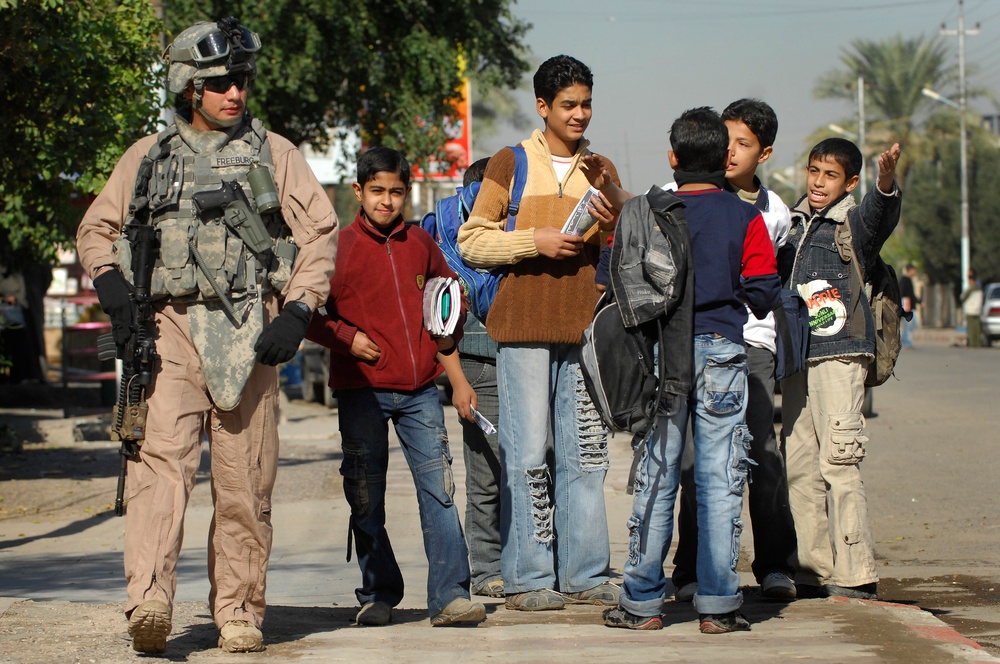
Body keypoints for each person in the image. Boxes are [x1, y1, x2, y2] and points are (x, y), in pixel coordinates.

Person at [75, 18, 338, 654]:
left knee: (245, 479)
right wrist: (114, 294)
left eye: (242, 82)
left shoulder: (276, 155)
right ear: (190, 87)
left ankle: (239, 611)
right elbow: (95, 230)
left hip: (251, 333)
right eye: (221, 83)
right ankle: (150, 604)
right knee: (158, 472)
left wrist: (297, 312)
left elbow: (321, 235)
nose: (236, 94)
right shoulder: (148, 157)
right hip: (166, 330)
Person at [601, 107, 780, 633]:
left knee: (657, 477)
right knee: (722, 480)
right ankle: (720, 607)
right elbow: (764, 293)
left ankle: (641, 605)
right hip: (724, 355)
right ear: (725, 159)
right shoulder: (744, 216)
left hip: (661, 359)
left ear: (673, 158)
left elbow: (614, 279)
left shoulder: (650, 212)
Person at [458, 54, 621, 612]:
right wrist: (536, 242)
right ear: (543, 106)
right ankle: (529, 578)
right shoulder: (510, 162)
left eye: (587, 104)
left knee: (585, 455)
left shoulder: (600, 168)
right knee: (527, 451)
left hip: (584, 334)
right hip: (522, 329)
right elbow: (472, 242)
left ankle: (586, 574)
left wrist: (614, 207)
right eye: (570, 104)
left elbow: (622, 247)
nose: (580, 114)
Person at [305, 147, 487, 627]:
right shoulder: (335, 247)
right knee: (365, 495)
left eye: (396, 192)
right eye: (378, 192)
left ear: (406, 193)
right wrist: (348, 338)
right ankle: (378, 592)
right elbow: (305, 314)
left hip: (422, 391)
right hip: (360, 390)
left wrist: (459, 380)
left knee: (440, 491)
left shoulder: (421, 244)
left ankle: (450, 596)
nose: (387, 202)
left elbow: (444, 310)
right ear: (359, 192)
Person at [669, 99, 798, 603]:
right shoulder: (679, 196)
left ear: (763, 154)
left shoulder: (774, 212)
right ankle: (690, 570)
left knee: (760, 453)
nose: (731, 153)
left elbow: (771, 286)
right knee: (693, 463)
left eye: (743, 144)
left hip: (753, 345)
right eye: (727, 141)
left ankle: (774, 565)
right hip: (691, 342)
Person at [780, 138, 902, 601]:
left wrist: (885, 181)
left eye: (829, 175)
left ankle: (855, 572)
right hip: (796, 359)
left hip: (839, 356)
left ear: (849, 182)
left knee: (839, 463)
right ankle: (813, 570)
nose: (817, 181)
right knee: (799, 465)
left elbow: (880, 215)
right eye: (814, 171)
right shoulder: (792, 225)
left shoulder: (852, 223)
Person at [451, 157, 505, 599]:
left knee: (530, 465)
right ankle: (487, 568)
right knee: (486, 470)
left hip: (528, 355)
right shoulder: (452, 240)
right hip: (477, 359)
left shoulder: (518, 232)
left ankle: (528, 561)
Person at [899, 263, 920, 348]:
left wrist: (919, 301)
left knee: (914, 323)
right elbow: (903, 294)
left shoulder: (909, 280)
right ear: (909, 270)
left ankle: (904, 338)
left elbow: (912, 294)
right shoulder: (904, 280)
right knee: (908, 324)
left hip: (910, 305)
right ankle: (906, 341)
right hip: (906, 305)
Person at [961, 273, 983, 348]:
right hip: (977, 310)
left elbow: (963, 298)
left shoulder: (971, 289)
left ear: (971, 280)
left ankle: (972, 343)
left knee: (971, 329)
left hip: (970, 311)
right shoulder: (979, 289)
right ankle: (977, 343)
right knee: (977, 328)